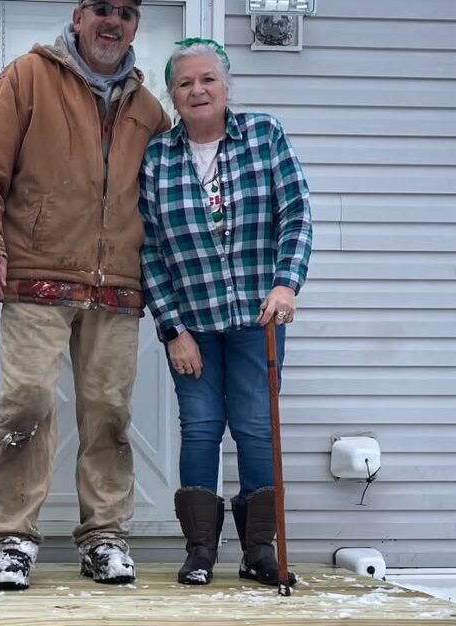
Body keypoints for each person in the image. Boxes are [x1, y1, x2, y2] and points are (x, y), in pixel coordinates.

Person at [0, 0, 170, 590]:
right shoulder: (27, 77)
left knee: (109, 416)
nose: (112, 21)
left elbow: (167, 202)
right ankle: (12, 539)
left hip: (119, 288)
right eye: (101, 8)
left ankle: (105, 537)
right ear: (77, 16)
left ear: (136, 26)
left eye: (126, 12)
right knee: (26, 403)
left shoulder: (150, 110)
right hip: (37, 277)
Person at [139, 38, 312, 587]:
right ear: (172, 95)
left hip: (256, 321)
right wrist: (171, 330)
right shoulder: (158, 158)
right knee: (201, 431)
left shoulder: (263, 136)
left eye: (207, 79)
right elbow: (148, 250)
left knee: (257, 430)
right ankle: (200, 553)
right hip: (192, 326)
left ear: (226, 85)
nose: (197, 90)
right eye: (185, 83)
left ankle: (259, 551)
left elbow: (297, 215)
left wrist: (287, 283)